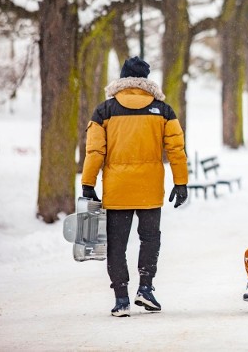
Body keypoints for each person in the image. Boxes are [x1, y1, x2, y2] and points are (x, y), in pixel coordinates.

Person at [81, 56, 189, 317]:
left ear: (122, 78)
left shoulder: (104, 111)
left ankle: (121, 298)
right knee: (150, 239)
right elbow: (176, 150)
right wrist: (181, 182)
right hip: (149, 189)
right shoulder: (163, 110)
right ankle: (146, 288)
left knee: (116, 244)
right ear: (146, 81)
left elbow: (95, 151)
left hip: (117, 190)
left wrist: (88, 183)